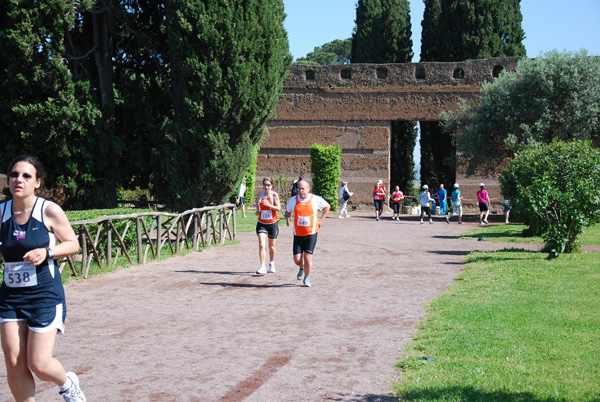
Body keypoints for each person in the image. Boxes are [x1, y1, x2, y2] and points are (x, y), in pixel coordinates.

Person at [0, 155, 85, 401]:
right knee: (14, 361)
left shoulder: (48, 210)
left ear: (37, 182)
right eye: (15, 174)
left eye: (26, 176)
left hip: (44, 296)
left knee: (39, 363)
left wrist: (46, 252)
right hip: (10, 296)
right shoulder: (2, 212)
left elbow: (73, 244)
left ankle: (67, 383)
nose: (19, 180)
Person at [285, 180, 330, 287]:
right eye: (299, 188)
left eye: (303, 188)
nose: (301, 191)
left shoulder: (315, 199)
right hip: (298, 234)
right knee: (297, 260)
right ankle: (301, 267)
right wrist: (287, 218)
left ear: (308, 189)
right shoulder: (293, 200)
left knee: (307, 257)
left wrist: (321, 220)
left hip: (311, 233)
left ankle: (307, 278)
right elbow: (288, 211)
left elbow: (327, 206)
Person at [255, 177, 281, 275]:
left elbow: (278, 208)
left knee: (271, 246)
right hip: (262, 223)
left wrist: (269, 205)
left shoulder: (274, 195)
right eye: (265, 185)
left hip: (272, 223)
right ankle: (262, 266)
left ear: (272, 186)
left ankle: (271, 263)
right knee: (262, 244)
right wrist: (258, 210)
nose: (266, 187)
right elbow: (257, 202)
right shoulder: (260, 194)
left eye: (268, 185)